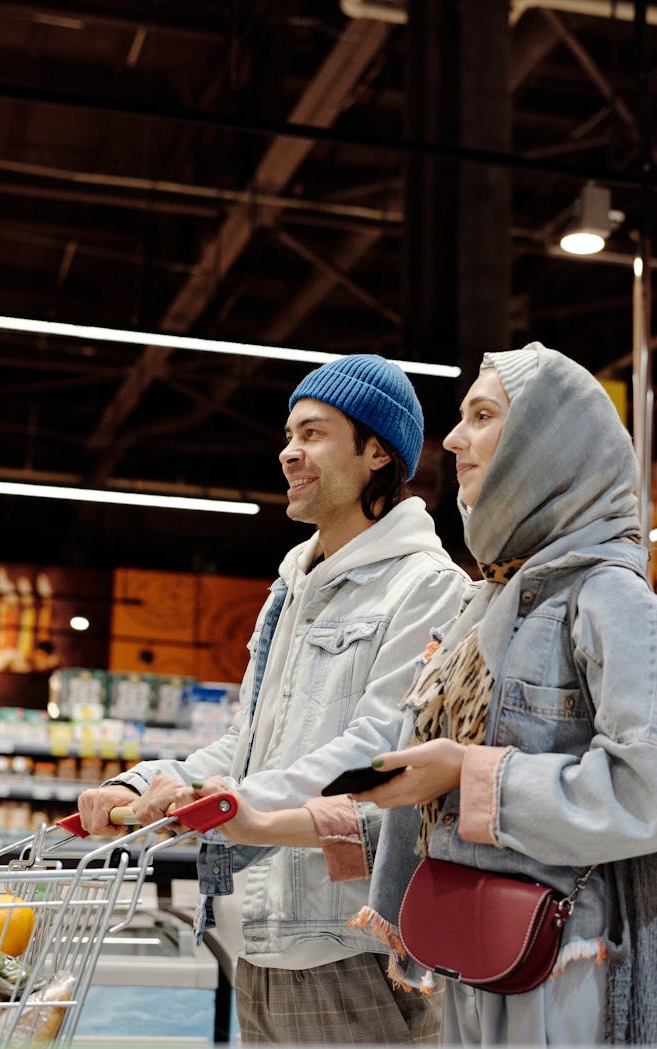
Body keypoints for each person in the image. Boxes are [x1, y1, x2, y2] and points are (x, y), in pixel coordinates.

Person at [186, 343, 657, 1046]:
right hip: (476, 971)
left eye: (483, 415)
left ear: (545, 443)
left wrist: (470, 775)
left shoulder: (608, 595)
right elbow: (412, 795)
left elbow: (645, 785)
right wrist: (248, 823)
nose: (457, 438)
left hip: (572, 979)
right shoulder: (486, 604)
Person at [77, 353, 469, 1045]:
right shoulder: (291, 584)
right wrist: (143, 781)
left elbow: (376, 755)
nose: (290, 451)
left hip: (344, 944)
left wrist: (226, 800)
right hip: (254, 935)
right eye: (289, 434)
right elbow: (248, 737)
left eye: (314, 432)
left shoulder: (427, 587)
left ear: (377, 450)